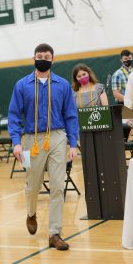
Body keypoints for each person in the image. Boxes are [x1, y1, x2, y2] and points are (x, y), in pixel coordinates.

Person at [8, 43, 78, 250]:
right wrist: (16, 142)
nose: (43, 59)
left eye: (47, 56)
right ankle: (31, 213)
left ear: (52, 60)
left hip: (57, 138)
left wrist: (72, 143)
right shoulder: (22, 85)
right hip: (30, 140)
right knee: (32, 186)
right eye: (39, 56)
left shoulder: (63, 85)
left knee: (57, 186)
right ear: (34, 58)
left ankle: (55, 234)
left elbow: (71, 115)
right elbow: (13, 115)